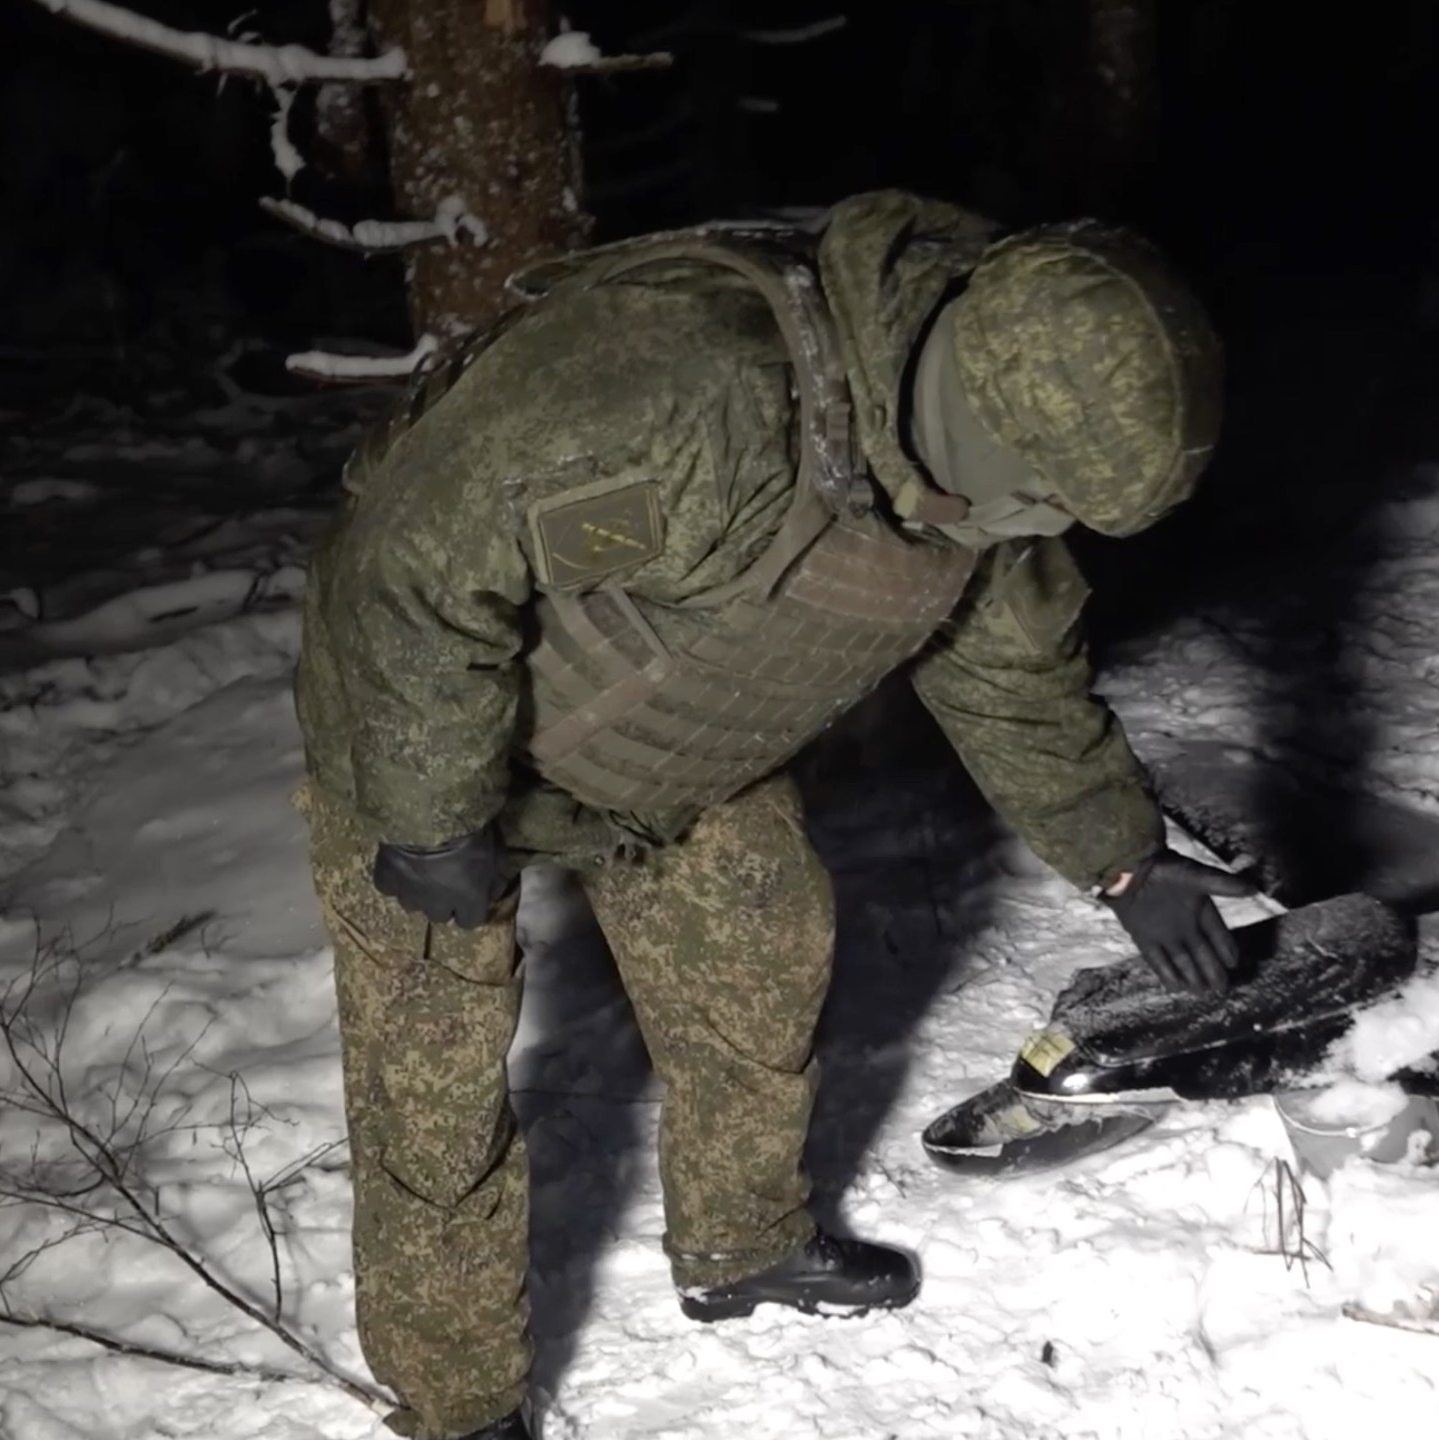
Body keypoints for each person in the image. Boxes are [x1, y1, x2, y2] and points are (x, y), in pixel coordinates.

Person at [290, 189, 1253, 1440]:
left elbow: (1009, 669)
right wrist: (425, 816)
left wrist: (1123, 860)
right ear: (977, 418)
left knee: (762, 950)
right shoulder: (683, 390)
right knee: (434, 1089)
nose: (1047, 531)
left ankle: (741, 1249)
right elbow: (411, 573)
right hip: (421, 736)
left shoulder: (972, 460)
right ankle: (460, 1405)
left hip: (676, 747)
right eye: (1043, 500)